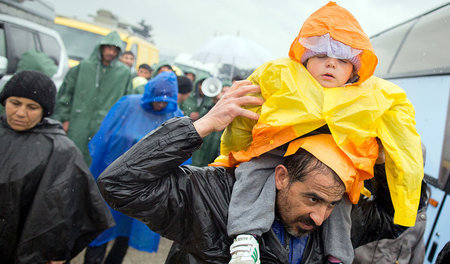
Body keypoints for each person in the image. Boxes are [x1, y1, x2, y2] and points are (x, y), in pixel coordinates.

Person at [96, 80, 413, 263]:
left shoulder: (335, 224)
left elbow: (394, 218)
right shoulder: (213, 198)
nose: (319, 216)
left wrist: (385, 164)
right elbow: (120, 184)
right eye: (313, 198)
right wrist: (201, 126)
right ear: (281, 176)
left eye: (332, 203)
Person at [214, 2, 423, 263]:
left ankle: (337, 256)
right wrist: (233, 155)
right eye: (321, 57)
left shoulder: (376, 95)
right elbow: (246, 116)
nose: (330, 65)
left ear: (354, 72)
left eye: (342, 61)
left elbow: (406, 148)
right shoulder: (280, 75)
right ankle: (246, 237)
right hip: (277, 152)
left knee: (339, 199)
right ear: (306, 59)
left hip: (338, 165)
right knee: (252, 172)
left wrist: (403, 197)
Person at [0, 70, 115, 264]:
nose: (20, 113)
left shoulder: (60, 151)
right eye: (15, 103)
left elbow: (65, 210)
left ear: (44, 111)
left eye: (32, 107)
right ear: (5, 101)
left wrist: (57, 251)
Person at [83, 71, 182, 264]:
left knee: (126, 230)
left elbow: (179, 155)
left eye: (165, 100)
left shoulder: (174, 116)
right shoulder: (128, 105)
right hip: (110, 177)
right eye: (157, 99)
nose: (160, 104)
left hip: (141, 187)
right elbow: (105, 136)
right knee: (101, 225)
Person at [52, 31, 132, 165]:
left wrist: (119, 126)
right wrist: (64, 118)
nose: (111, 52)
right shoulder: (83, 67)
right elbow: (66, 94)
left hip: (105, 125)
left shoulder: (124, 74)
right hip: (78, 122)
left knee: (94, 160)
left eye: (115, 49)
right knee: (70, 157)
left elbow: (126, 102)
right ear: (101, 47)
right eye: (108, 48)